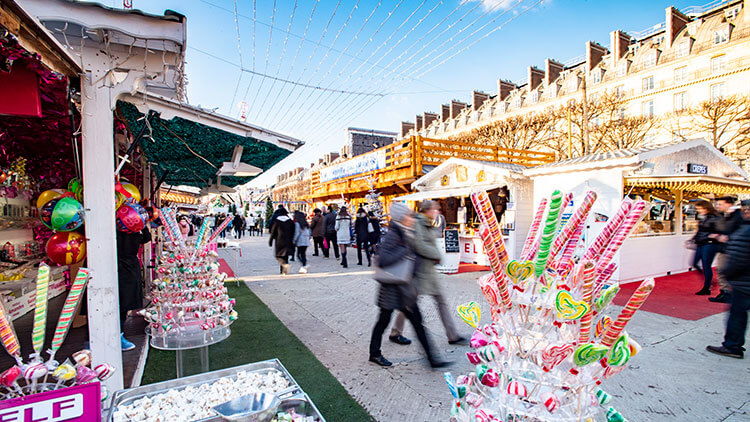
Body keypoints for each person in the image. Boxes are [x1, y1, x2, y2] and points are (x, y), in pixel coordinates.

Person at [368, 203, 451, 369]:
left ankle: (432, 359)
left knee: (418, 322)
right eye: (408, 216)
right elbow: (383, 259)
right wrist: (406, 251)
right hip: (392, 287)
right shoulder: (394, 234)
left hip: (405, 287)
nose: (412, 219)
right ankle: (374, 353)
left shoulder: (407, 232)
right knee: (383, 321)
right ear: (401, 218)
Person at [389, 200, 466, 346]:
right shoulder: (418, 223)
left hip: (428, 271)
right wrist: (436, 254)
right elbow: (419, 244)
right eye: (435, 209)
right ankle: (395, 332)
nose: (437, 211)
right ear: (427, 210)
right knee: (409, 304)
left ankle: (452, 335)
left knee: (440, 301)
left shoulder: (428, 222)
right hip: (419, 271)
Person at [706, 199, 750, 359]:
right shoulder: (740, 225)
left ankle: (732, 346)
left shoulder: (745, 229)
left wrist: (728, 274)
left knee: (737, 315)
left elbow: (738, 255)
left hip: (743, 281)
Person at [117, 226, 151, 350]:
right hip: (117, 266)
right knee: (120, 303)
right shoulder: (112, 227)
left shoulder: (134, 227)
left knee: (123, 305)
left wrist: (142, 226)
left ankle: (118, 334)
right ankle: (95, 338)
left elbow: (146, 238)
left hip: (128, 268)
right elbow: (146, 238)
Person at [709, 196, 743, 303]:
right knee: (721, 270)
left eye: (720, 204)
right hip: (725, 248)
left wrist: (726, 237)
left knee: (724, 270)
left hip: (732, 249)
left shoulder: (738, 216)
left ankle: (728, 293)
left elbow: (741, 231)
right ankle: (725, 292)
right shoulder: (726, 216)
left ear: (728, 204)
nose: (718, 206)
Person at [692, 200, 721, 295]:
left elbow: (721, 230)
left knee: (706, 265)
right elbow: (700, 231)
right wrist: (693, 239)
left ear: (706, 208)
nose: (699, 210)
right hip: (701, 243)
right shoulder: (704, 218)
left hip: (709, 244)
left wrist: (714, 235)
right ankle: (709, 281)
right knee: (695, 263)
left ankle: (707, 286)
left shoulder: (715, 218)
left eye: (700, 208)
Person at [269, 208, 294, 275]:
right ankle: (283, 271)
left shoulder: (277, 221)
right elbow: (293, 231)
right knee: (285, 256)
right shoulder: (290, 221)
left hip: (279, 240)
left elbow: (273, 232)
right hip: (288, 240)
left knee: (278, 256)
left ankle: (284, 264)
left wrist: (270, 240)